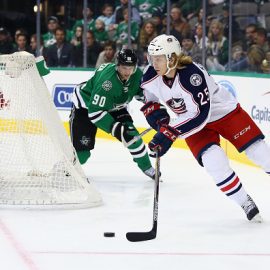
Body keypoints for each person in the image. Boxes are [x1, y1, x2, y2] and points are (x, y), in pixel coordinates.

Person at [140, 34, 270, 222]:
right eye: (152, 58)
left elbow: (200, 115)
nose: (154, 63)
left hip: (223, 113)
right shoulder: (151, 75)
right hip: (191, 122)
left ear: (173, 58)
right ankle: (244, 201)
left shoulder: (191, 75)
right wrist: (158, 120)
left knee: (261, 154)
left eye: (158, 58)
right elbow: (150, 100)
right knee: (214, 163)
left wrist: (168, 133)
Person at [69, 49, 156, 180]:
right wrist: (119, 130)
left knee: (132, 136)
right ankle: (64, 171)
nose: (127, 72)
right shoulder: (107, 83)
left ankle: (147, 167)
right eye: (123, 68)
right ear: (117, 66)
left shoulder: (137, 75)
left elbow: (142, 95)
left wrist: (158, 110)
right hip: (86, 107)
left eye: (130, 68)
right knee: (82, 155)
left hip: (115, 105)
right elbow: (95, 112)